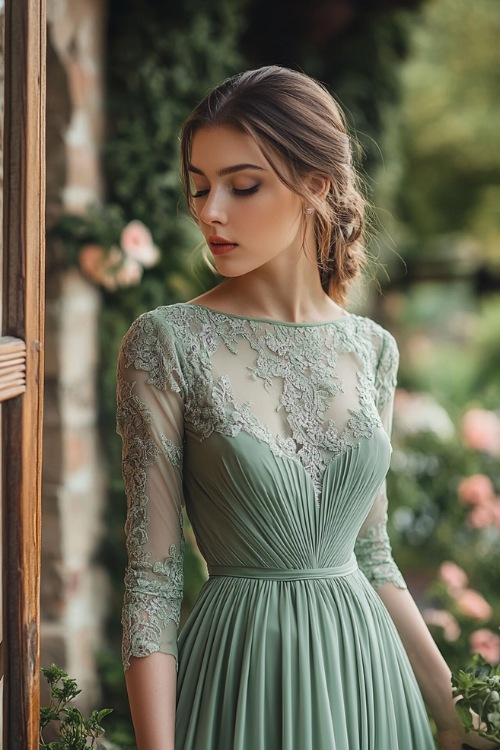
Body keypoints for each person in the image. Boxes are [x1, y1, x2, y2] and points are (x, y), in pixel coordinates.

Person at [116, 66, 498, 750]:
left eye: (242, 184)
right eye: (200, 187)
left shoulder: (373, 350)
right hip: (241, 678)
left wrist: (459, 714)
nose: (211, 211)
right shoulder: (166, 343)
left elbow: (375, 557)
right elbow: (153, 584)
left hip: (368, 685)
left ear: (317, 183)